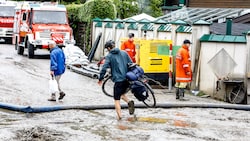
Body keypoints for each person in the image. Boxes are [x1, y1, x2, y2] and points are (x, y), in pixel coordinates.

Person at [98, 40, 134, 120]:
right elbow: (131, 64)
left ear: (109, 48)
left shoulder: (109, 56)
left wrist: (100, 78)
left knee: (116, 99)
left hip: (118, 80)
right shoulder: (124, 53)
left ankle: (119, 117)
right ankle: (129, 101)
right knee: (121, 93)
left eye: (107, 49)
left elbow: (104, 68)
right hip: (127, 78)